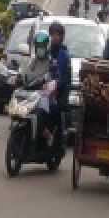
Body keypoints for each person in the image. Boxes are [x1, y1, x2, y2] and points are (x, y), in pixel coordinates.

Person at [47, 21, 71, 158]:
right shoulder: (45, 50)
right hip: (46, 89)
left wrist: (57, 84)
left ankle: (58, 141)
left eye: (57, 34)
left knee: (56, 111)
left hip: (60, 91)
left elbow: (62, 75)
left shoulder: (63, 53)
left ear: (62, 36)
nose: (55, 37)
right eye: (52, 34)